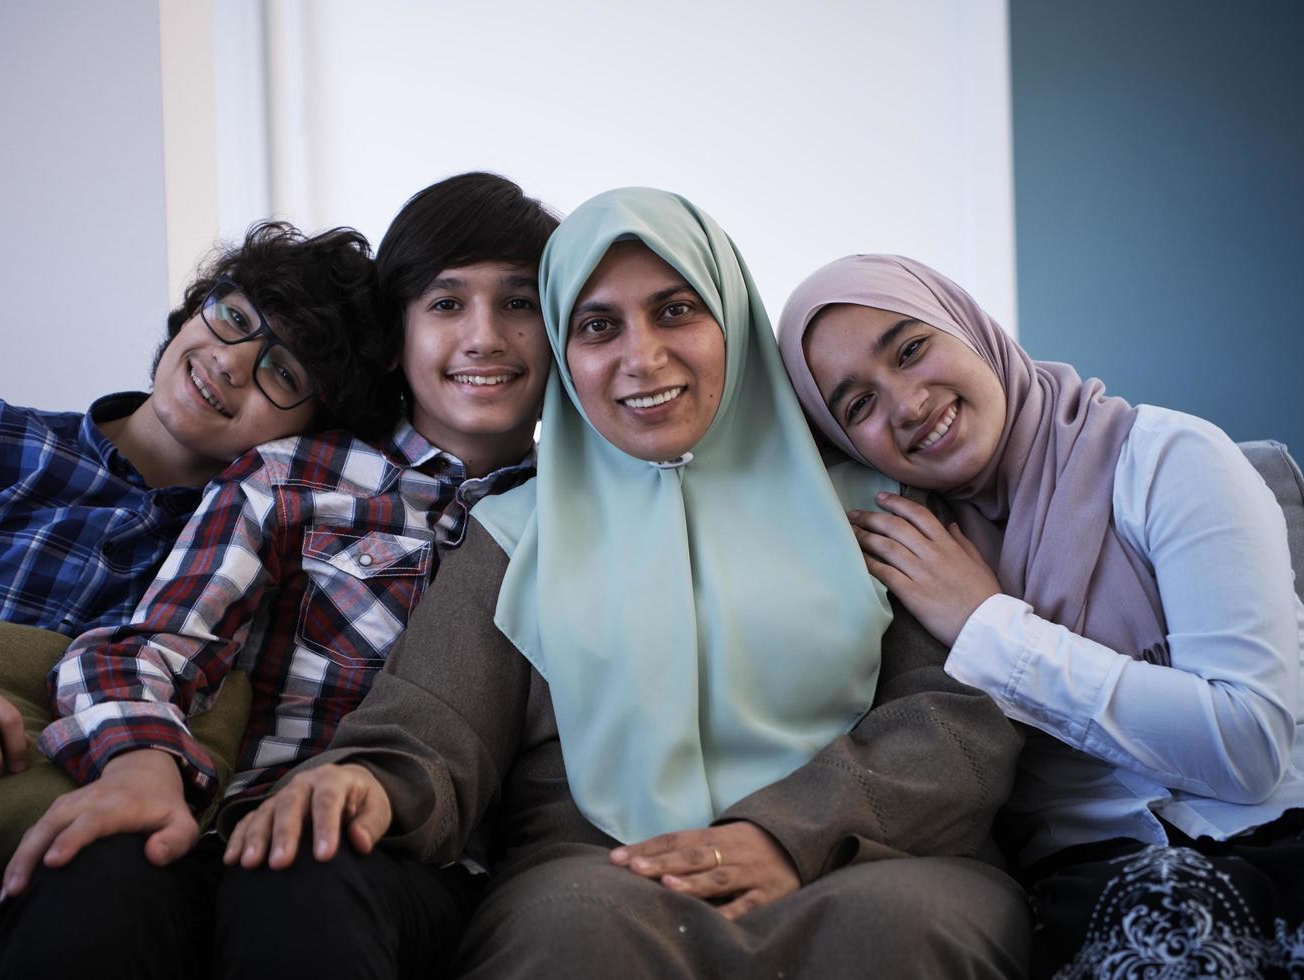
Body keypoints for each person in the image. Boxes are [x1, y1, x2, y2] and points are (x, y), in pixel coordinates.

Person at [224, 189, 1031, 979]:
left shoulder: (872, 503)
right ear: (563, 359)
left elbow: (955, 718)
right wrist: (367, 779)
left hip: (870, 857)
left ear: (734, 318)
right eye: (597, 326)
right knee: (568, 935)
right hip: (608, 872)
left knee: (907, 930)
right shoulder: (514, 532)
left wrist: (788, 833)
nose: (642, 357)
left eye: (677, 310)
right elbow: (436, 721)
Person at [0, 172, 559, 980]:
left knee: (303, 876)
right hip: (230, 818)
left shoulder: (574, 515)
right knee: (93, 864)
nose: (484, 338)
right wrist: (143, 762)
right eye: (445, 304)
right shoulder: (293, 479)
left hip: (415, 863)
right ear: (396, 334)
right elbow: (145, 648)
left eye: (519, 305)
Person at [0, 221, 386, 977]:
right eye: (231, 317)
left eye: (281, 373)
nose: (228, 362)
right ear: (195, 310)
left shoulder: (266, 550)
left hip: (2, 874)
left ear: (312, 432)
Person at [776, 253, 1304, 978]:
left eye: (911, 348)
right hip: (1097, 885)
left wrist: (989, 624)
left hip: (1276, 837)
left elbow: (1247, 746)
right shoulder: (906, 547)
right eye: (857, 406)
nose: (906, 404)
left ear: (967, 326)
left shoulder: (1167, 460)